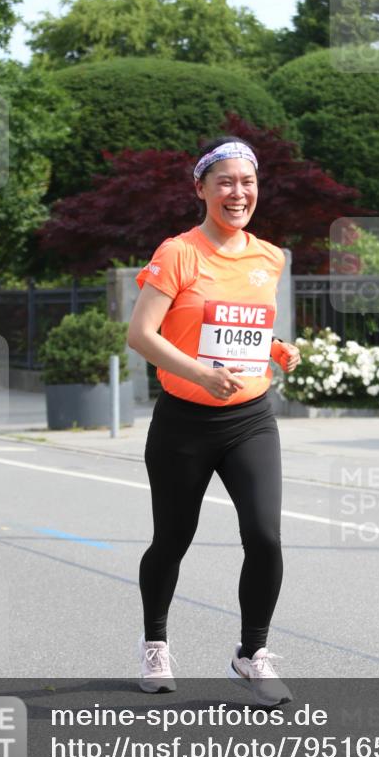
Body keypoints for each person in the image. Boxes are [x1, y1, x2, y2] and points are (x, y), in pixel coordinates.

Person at [127, 136, 301, 706]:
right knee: (172, 541)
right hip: (184, 422)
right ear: (200, 188)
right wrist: (200, 374)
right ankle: (156, 643)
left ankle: (252, 655)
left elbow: (236, 328)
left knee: (266, 536)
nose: (238, 192)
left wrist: (274, 348)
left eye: (247, 181)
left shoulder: (269, 257)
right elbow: (143, 336)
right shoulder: (178, 252)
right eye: (225, 181)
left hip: (250, 418)